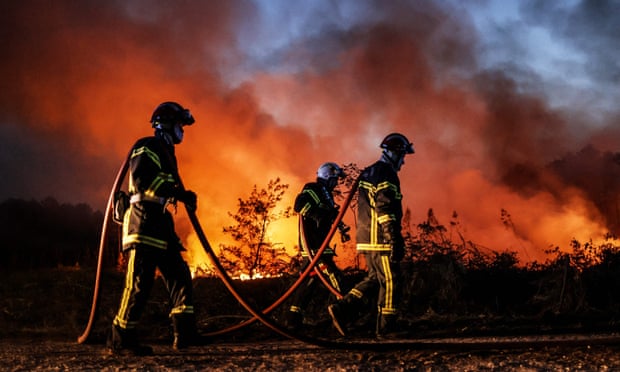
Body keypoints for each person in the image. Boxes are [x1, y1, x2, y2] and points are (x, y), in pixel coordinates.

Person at [107, 101, 201, 355]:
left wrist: (181, 194)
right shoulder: (146, 146)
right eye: (180, 124)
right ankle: (121, 338)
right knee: (140, 283)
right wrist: (178, 193)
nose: (182, 130)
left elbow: (166, 186)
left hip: (160, 223)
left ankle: (184, 333)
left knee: (180, 274)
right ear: (166, 124)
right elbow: (143, 180)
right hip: (142, 222)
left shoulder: (167, 152)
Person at [328, 133, 414, 338]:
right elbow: (385, 208)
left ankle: (342, 309)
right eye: (402, 156)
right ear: (394, 153)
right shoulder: (386, 173)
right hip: (380, 239)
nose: (403, 162)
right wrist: (393, 237)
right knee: (392, 280)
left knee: (375, 278)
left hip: (367, 238)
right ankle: (387, 328)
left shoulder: (371, 172)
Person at [284, 162, 351, 331]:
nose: (336, 182)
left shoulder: (326, 194)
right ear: (327, 177)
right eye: (335, 179)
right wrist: (315, 215)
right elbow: (299, 205)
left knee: (310, 282)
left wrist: (342, 228)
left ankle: (293, 320)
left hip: (320, 245)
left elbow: (333, 214)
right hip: (313, 246)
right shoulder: (312, 188)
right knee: (335, 277)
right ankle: (345, 313)